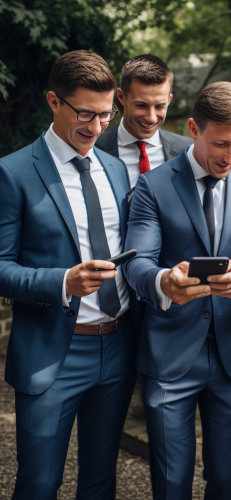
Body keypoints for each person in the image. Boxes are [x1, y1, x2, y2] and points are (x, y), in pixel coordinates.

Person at [122, 81, 231, 500]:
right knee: (171, 482)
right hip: (170, 356)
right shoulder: (152, 186)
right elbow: (137, 263)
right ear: (194, 128)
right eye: (221, 144)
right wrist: (164, 282)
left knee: (226, 482)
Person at [0, 50, 139, 500]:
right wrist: (62, 282)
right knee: (39, 484)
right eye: (85, 113)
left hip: (117, 346)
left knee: (100, 482)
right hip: (52, 353)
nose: (97, 127)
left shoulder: (116, 170)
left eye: (105, 114)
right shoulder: (13, 172)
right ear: (53, 101)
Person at [96, 54, 192, 188]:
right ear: (121, 97)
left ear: (169, 100)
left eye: (160, 106)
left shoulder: (189, 152)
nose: (151, 118)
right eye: (141, 105)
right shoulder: (93, 150)